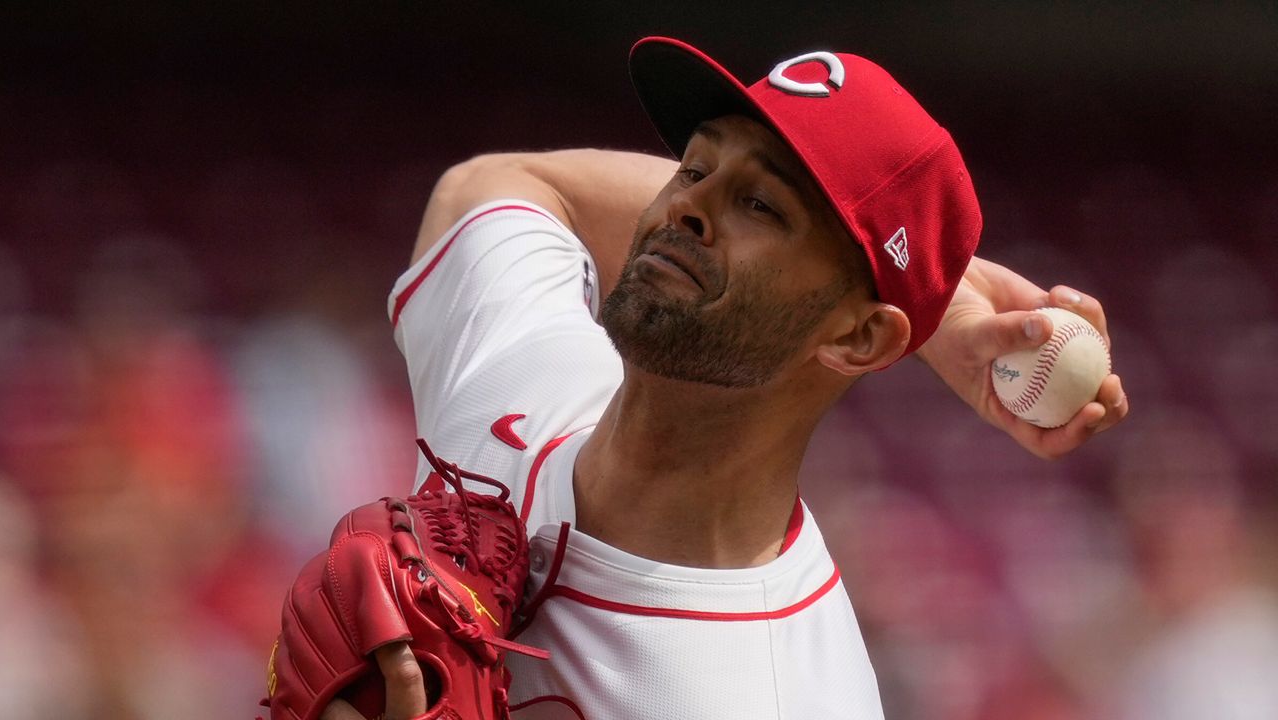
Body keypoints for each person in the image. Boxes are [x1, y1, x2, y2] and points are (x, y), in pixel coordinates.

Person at [322, 36, 1127, 719]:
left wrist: (907, 306)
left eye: (760, 205)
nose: (685, 206)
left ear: (860, 338)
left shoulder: (783, 696)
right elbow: (506, 185)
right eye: (694, 166)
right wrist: (938, 311)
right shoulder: (524, 378)